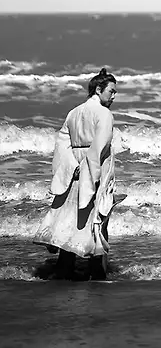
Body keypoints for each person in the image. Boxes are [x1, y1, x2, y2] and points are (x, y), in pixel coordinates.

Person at [33, 68, 119, 280]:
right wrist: (93, 175)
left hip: (74, 172)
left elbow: (62, 145)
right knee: (96, 222)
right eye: (111, 91)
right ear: (98, 90)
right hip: (93, 170)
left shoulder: (73, 112)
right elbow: (99, 147)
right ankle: (98, 275)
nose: (114, 96)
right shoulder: (104, 113)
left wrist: (72, 166)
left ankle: (64, 271)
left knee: (70, 221)